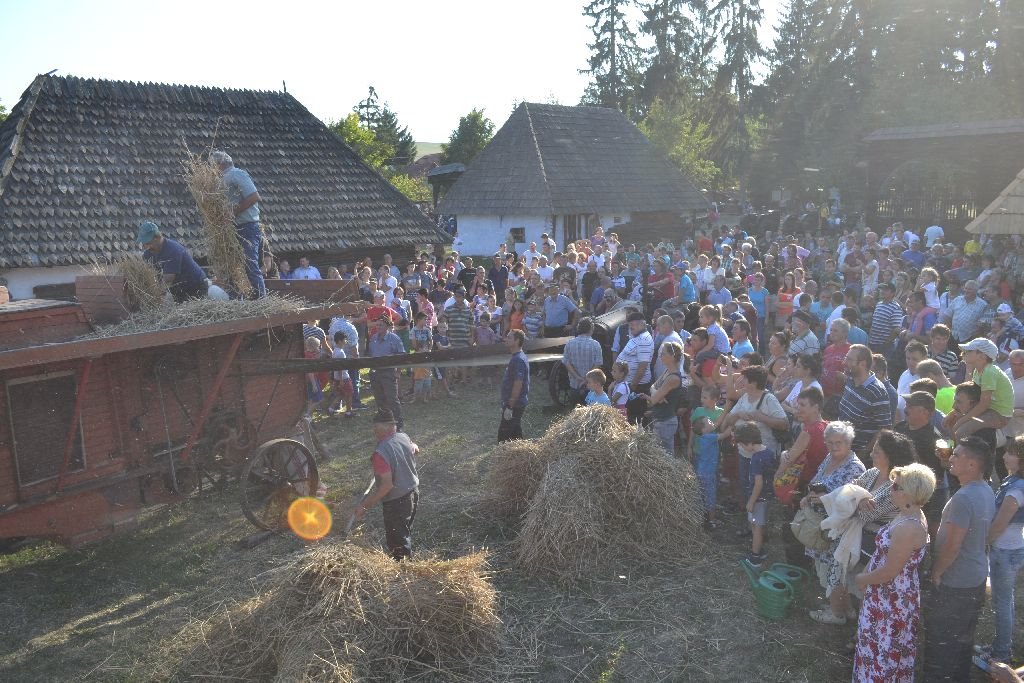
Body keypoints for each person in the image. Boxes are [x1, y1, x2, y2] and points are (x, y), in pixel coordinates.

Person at [852, 463, 935, 682]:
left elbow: (890, 571)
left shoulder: (909, 527)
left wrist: (862, 578)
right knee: (874, 648)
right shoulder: (905, 514)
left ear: (910, 492)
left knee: (883, 651)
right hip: (883, 593)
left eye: (897, 486)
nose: (891, 488)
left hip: (891, 598)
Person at [923, 436, 996, 682]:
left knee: (941, 644)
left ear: (972, 464)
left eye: (957, 455)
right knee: (963, 640)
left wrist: (936, 572)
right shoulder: (986, 489)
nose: (951, 458)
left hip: (956, 582)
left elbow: (953, 546)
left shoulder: (963, 498)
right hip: (976, 576)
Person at [975, 436, 1024, 667]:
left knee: (1002, 603)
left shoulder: (1016, 489)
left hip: (1004, 552)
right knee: (1006, 600)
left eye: (1011, 453)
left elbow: (999, 523)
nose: (1004, 456)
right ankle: (1000, 645)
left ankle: (1001, 654)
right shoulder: (1013, 481)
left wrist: (984, 542)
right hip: (1010, 550)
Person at [351, 408, 419, 560]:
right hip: (413, 492)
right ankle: (405, 557)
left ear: (386, 427)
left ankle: (403, 568)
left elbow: (386, 486)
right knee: (404, 530)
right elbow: (415, 448)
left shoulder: (380, 453)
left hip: (397, 502)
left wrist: (364, 506)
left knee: (397, 542)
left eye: (376, 426)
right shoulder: (403, 437)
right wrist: (413, 447)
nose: (374, 430)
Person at [211, 150, 266, 297]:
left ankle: (261, 300)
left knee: (249, 264)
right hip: (232, 228)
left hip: (247, 226)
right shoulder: (221, 179)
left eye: (213, 165)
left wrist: (233, 212)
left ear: (219, 163)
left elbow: (254, 196)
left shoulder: (236, 174)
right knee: (232, 266)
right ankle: (236, 300)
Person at [838, 344, 893, 462]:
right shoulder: (850, 380)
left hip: (859, 458)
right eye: (846, 358)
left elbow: (884, 429)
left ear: (862, 364)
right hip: (841, 449)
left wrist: (863, 454)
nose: (844, 362)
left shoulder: (878, 392)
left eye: (849, 360)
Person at [951, 337, 1014, 440]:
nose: (965, 353)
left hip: (999, 415)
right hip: (989, 409)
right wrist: (954, 413)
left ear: (982, 356)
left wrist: (960, 421)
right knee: (953, 423)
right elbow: (971, 395)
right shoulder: (978, 370)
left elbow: (984, 404)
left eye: (969, 351)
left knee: (961, 432)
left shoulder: (989, 372)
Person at [136, 221, 208, 302]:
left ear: (156, 238)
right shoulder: (148, 254)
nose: (146, 247)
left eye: (148, 243)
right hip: (179, 290)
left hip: (196, 286)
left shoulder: (173, 250)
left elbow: (168, 279)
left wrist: (155, 296)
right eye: (144, 244)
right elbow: (149, 274)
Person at [736, 421, 776, 567]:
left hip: (758, 499)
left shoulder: (756, 458)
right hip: (768, 496)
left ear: (749, 443)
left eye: (742, 445)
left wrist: (751, 502)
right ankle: (760, 549)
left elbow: (758, 483)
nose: (742, 448)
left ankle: (755, 557)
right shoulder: (769, 452)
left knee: (756, 527)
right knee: (760, 524)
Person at [641, 342, 685, 454]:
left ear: (672, 357)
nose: (660, 356)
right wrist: (657, 394)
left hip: (666, 422)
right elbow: (652, 388)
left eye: (663, 353)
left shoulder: (673, 378)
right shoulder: (667, 371)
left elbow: (654, 399)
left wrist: (656, 395)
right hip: (660, 420)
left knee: (666, 457)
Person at [368, 317, 406, 432]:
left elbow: (401, 356)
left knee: (392, 398)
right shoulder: (373, 338)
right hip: (375, 372)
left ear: (387, 326)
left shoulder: (394, 338)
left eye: (381, 325)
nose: (378, 327)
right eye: (377, 325)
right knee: (379, 397)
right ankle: (385, 417)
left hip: (388, 372)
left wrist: (398, 372)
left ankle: (398, 423)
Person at [562, 318, 604, 405]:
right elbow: (598, 364)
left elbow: (566, 362)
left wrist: (577, 377)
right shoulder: (596, 344)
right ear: (591, 328)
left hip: (575, 384)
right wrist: (587, 378)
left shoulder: (570, 343)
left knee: (574, 409)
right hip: (590, 385)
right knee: (588, 410)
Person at [498, 329, 530, 442]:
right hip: (516, 403)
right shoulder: (517, 357)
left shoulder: (518, 360)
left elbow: (518, 384)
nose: (505, 339)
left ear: (517, 341)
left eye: (509, 337)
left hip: (515, 404)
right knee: (515, 434)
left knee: (503, 437)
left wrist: (510, 406)